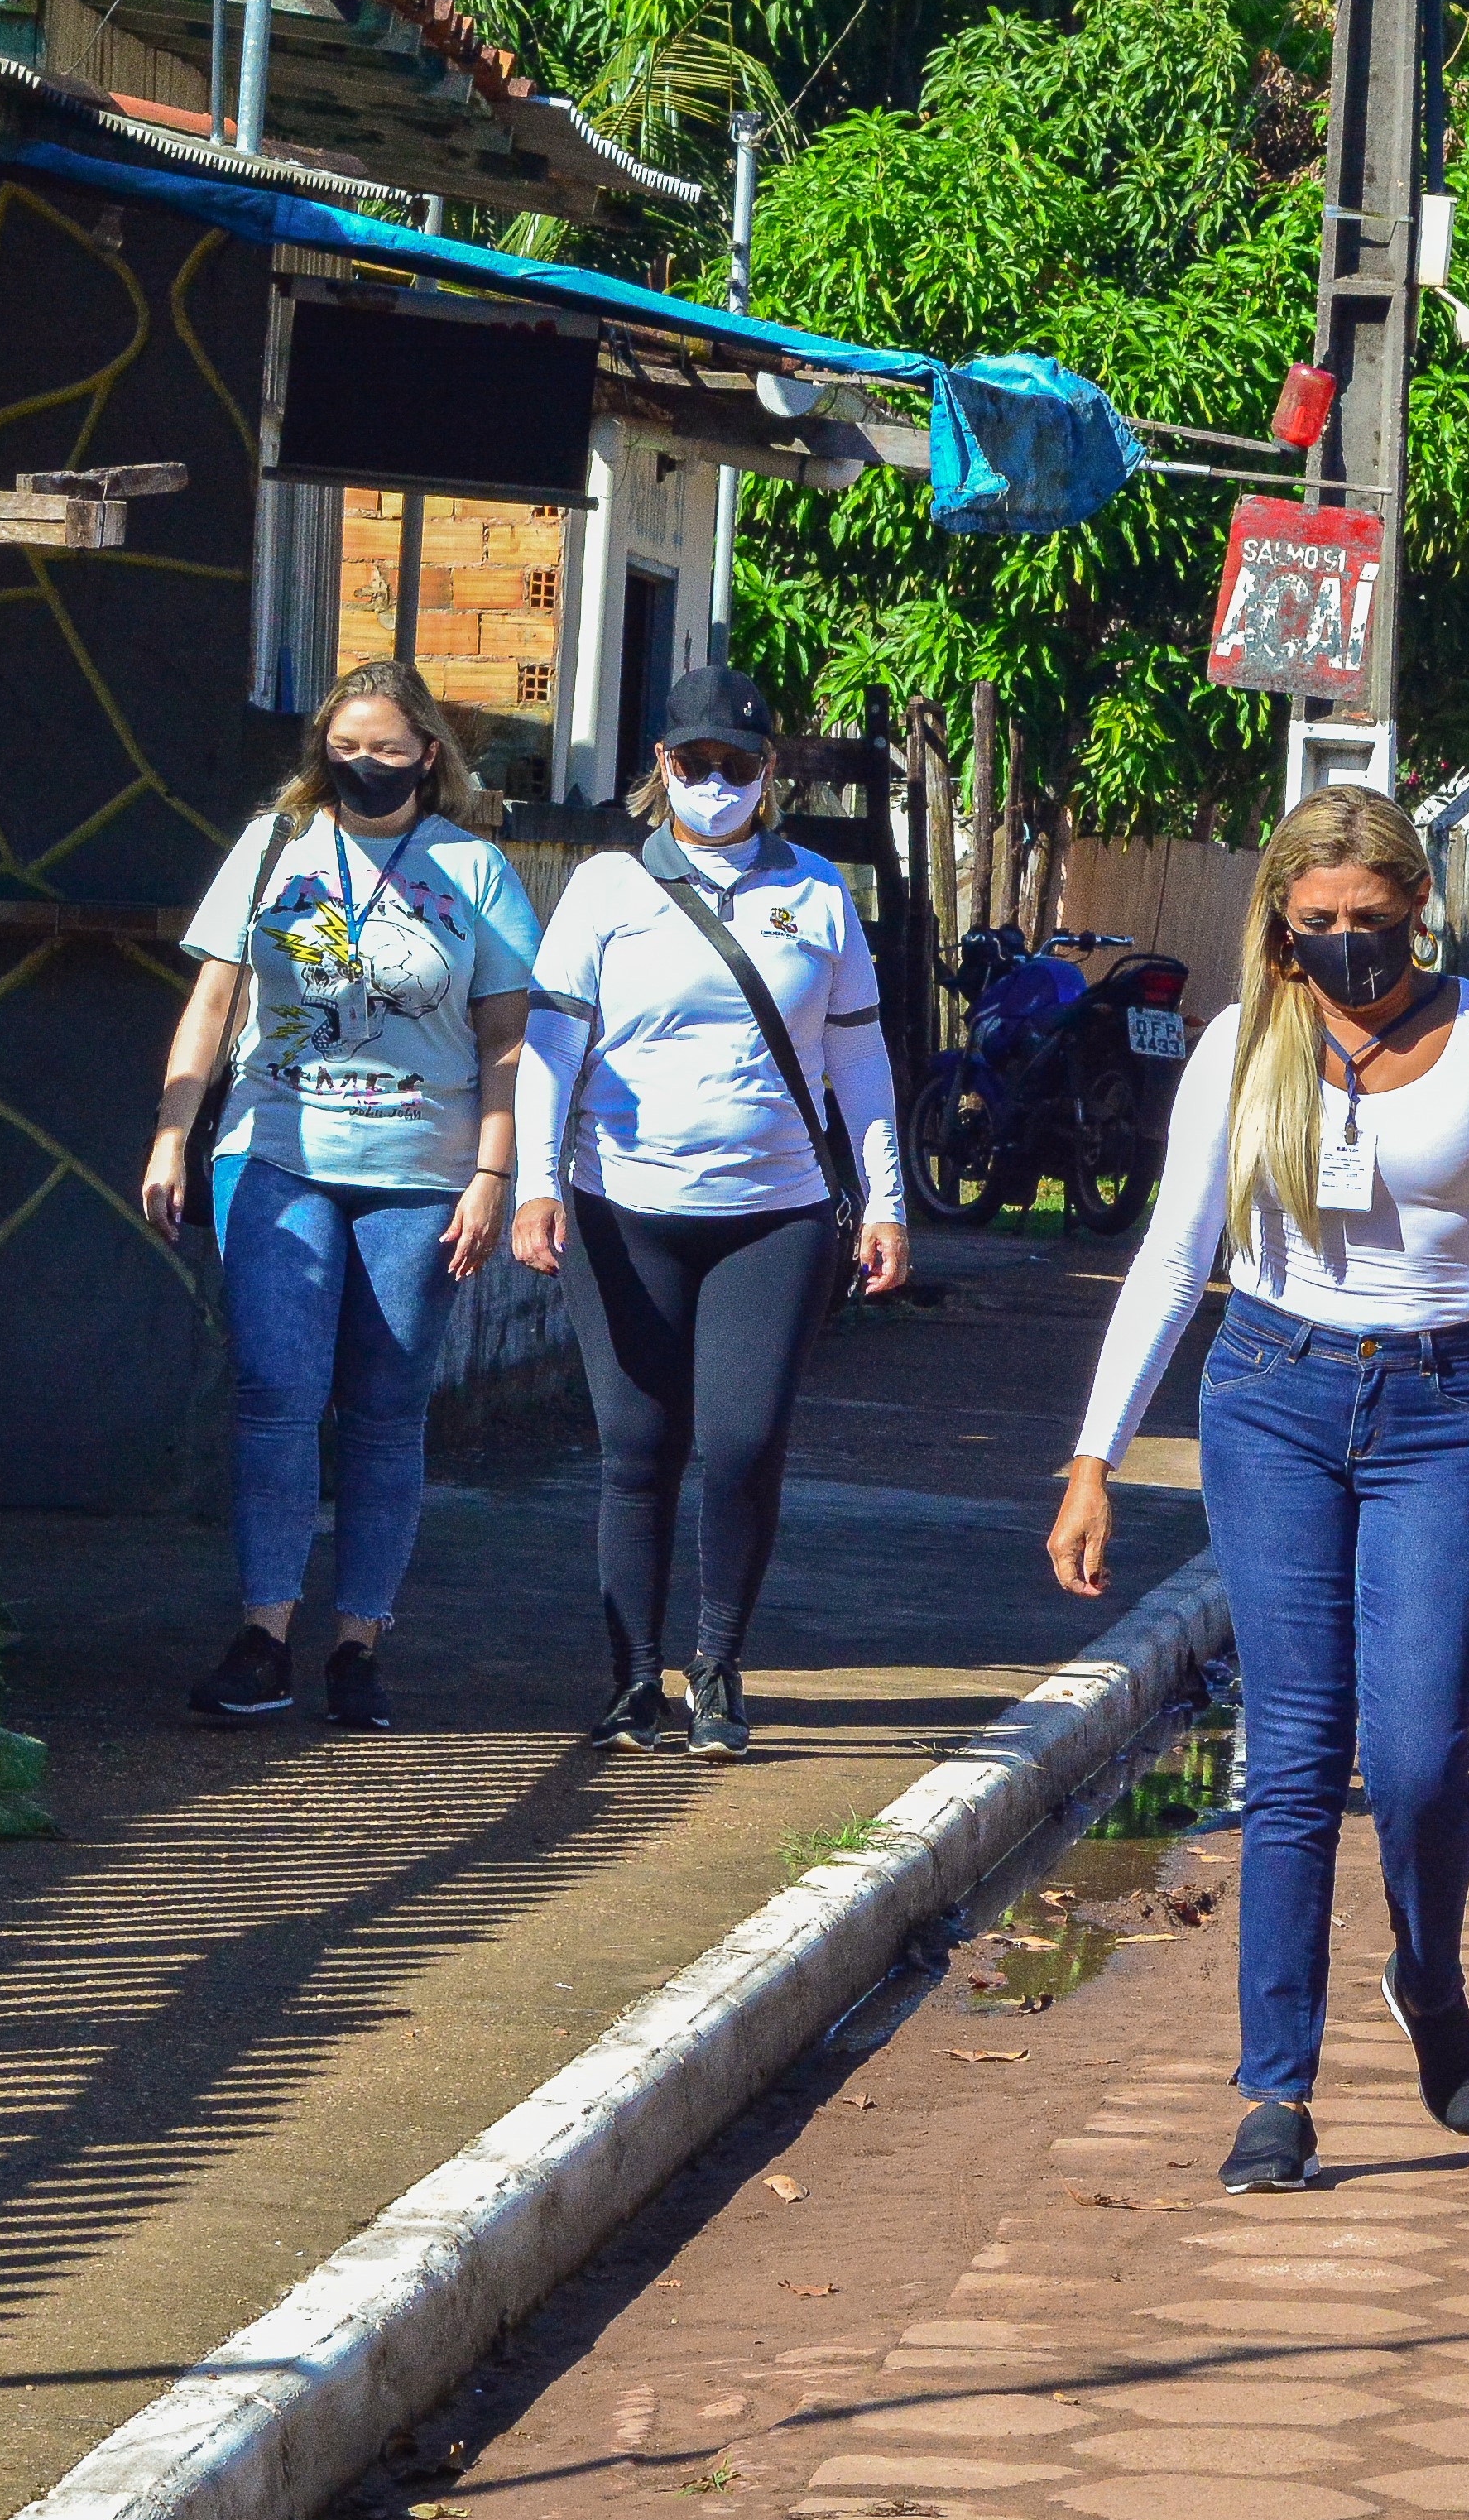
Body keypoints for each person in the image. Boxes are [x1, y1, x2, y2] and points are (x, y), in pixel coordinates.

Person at [1051, 785, 1469, 2195]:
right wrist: (1095, 1455)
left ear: (1419, 912)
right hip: (1274, 1398)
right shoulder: (1241, 1047)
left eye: (1372, 925)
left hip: (1445, 1406)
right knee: (1295, 1753)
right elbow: (1172, 1253)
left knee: (1427, 1751)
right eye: (1316, 926)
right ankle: (1276, 2091)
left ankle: (1426, 1977)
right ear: (1281, 922)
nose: (1347, 951)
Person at [506, 667, 910, 1759]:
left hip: (773, 1214)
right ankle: (634, 1681)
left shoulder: (820, 894)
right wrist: (534, 1181)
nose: (716, 784)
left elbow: (859, 1057)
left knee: (741, 1441)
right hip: (620, 1206)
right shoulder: (604, 891)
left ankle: (718, 1670)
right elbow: (552, 1050)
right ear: (661, 769)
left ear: (769, 772)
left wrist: (887, 1201)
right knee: (638, 1445)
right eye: (695, 765)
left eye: (738, 765)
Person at [141, 660, 539, 1732]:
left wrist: (497, 1170)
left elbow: (508, 1041)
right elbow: (214, 1000)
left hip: (424, 1175)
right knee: (274, 1398)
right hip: (275, 1156)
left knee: (384, 1415)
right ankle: (264, 1635)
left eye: (387, 750)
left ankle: (358, 1642)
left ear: (430, 757)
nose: (363, 767)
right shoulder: (276, 849)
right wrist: (174, 1135)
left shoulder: (475, 869)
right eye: (345, 748)